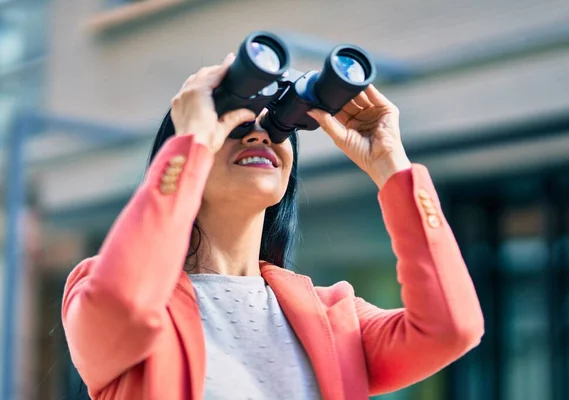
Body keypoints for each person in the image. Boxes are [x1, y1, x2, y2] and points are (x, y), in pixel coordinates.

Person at [62, 53, 484, 400]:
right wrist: (190, 141)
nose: (260, 137)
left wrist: (391, 164)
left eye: (278, 127)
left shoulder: (331, 317)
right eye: (236, 126)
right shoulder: (107, 287)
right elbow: (122, 302)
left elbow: (451, 330)